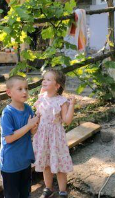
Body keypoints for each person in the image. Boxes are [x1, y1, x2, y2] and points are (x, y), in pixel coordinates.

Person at [33, 69, 75, 198]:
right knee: (46, 164)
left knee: (60, 164)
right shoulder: (41, 98)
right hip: (42, 136)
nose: (44, 81)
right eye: (44, 79)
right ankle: (48, 188)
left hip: (56, 138)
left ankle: (63, 191)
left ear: (57, 86)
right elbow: (38, 116)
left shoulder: (61, 101)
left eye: (48, 79)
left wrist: (72, 105)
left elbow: (67, 121)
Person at [0, 75, 40, 198]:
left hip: (24, 161)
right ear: (9, 92)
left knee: (25, 193)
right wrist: (29, 126)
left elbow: (31, 132)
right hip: (10, 164)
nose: (25, 92)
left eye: (26, 88)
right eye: (20, 89)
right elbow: (9, 138)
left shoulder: (27, 108)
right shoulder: (7, 113)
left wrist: (34, 127)